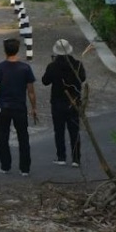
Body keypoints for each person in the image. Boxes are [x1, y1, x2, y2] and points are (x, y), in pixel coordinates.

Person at [0, 37, 38, 176]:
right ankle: (25, 168)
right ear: (17, 50)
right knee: (23, 137)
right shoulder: (25, 68)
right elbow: (31, 91)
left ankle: (5, 166)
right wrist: (34, 107)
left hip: (3, 107)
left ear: (5, 50)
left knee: (3, 137)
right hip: (19, 107)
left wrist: (2, 88)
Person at [41, 39, 87, 167]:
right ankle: (76, 159)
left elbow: (45, 81)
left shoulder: (53, 66)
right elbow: (82, 78)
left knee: (59, 130)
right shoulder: (77, 65)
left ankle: (61, 156)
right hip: (74, 101)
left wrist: (52, 66)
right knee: (74, 131)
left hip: (57, 102)